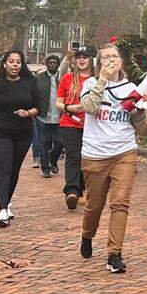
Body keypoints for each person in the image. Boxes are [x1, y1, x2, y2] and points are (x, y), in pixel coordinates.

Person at [77, 43, 147, 273]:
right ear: (99, 63)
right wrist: (102, 79)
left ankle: (114, 254)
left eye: (115, 56)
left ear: (121, 61)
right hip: (95, 154)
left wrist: (141, 111)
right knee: (94, 205)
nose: (112, 60)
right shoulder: (90, 83)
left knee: (120, 203)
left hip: (124, 152)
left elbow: (143, 130)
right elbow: (88, 107)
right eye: (106, 57)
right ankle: (87, 235)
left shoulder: (132, 87)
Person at [0, 50, 43, 226]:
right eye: (11, 61)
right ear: (4, 64)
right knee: (3, 168)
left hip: (23, 132)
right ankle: (1, 211)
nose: (15, 65)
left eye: (18, 62)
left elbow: (39, 108)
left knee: (14, 170)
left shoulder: (30, 84)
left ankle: (6, 204)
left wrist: (28, 112)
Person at [56, 46, 95, 209]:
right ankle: (71, 191)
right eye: (78, 56)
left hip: (92, 125)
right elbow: (58, 102)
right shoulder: (67, 78)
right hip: (69, 122)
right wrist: (67, 108)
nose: (81, 59)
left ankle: (81, 190)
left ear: (91, 60)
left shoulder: (97, 80)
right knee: (73, 156)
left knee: (86, 158)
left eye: (85, 57)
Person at [33, 54, 64, 176]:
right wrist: (34, 110)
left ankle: (53, 160)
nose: (52, 64)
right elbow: (33, 95)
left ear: (58, 64)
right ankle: (45, 169)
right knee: (43, 144)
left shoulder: (63, 78)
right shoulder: (38, 78)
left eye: (54, 62)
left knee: (60, 142)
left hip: (59, 116)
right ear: (46, 64)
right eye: (49, 62)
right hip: (43, 116)